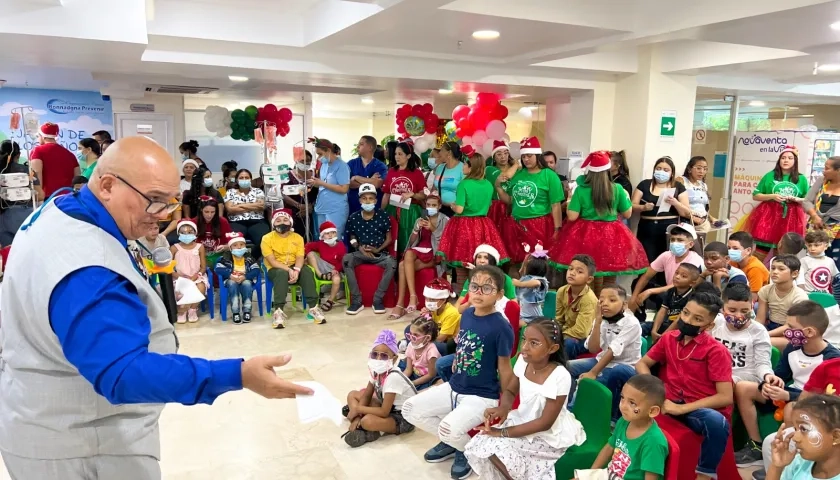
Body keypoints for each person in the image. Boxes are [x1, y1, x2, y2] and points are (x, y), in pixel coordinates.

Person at [0, 137, 313, 479]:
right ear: (107, 185)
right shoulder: (89, 270)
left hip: (40, 412)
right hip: (80, 446)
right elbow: (123, 373)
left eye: (171, 201)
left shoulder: (62, 206)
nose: (165, 215)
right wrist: (236, 374)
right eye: (155, 202)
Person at [402, 265, 515, 480]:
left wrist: (505, 404)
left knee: (447, 428)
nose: (478, 292)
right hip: (455, 385)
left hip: (481, 395)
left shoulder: (502, 326)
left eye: (487, 288)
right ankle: (458, 443)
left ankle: (467, 450)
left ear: (500, 295)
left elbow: (504, 366)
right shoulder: (468, 314)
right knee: (409, 409)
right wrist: (457, 363)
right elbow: (463, 345)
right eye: (474, 286)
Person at [464, 317, 585, 480]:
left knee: (497, 446)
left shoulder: (560, 376)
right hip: (523, 421)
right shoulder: (523, 360)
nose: (524, 347)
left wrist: (502, 433)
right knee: (482, 443)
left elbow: (545, 423)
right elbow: (510, 391)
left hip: (548, 434)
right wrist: (504, 407)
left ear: (552, 348)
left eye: (534, 343)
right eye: (524, 340)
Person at [635, 291, 732, 480]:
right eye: (686, 313)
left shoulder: (716, 351)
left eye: (697, 319)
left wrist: (681, 409)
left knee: (716, 422)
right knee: (625, 376)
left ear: (709, 325)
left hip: (697, 407)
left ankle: (705, 474)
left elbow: (725, 397)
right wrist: (656, 392)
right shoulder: (670, 338)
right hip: (667, 399)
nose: (687, 320)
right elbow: (642, 363)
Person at [736, 300, 840, 468]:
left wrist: (789, 396)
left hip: (812, 402)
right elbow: (781, 375)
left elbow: (826, 398)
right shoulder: (793, 348)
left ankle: (790, 461)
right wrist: (770, 383)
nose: (787, 332)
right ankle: (756, 445)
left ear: (810, 332)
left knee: (792, 406)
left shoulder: (831, 359)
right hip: (788, 393)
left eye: (791, 328)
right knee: (743, 388)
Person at [548, 151, 647, 287]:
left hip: (586, 235)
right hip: (612, 235)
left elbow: (572, 216)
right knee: (610, 276)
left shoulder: (581, 190)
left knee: (588, 276)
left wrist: (571, 199)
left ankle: (590, 305)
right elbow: (627, 213)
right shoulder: (617, 188)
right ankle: (607, 305)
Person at [713, 283, 773, 466]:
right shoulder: (714, 323)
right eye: (732, 309)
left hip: (745, 376)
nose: (738, 315)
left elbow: (763, 362)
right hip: (716, 374)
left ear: (752, 305)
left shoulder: (758, 331)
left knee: (730, 385)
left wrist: (767, 375)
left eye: (744, 310)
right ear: (722, 307)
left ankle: (754, 445)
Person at [568, 285, 642, 419]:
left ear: (624, 304)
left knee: (590, 383)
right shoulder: (601, 319)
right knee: (567, 367)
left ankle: (575, 413)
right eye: (601, 301)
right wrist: (597, 323)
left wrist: (593, 373)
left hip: (622, 366)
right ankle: (568, 405)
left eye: (612, 300)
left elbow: (612, 352)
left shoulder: (632, 323)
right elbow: (593, 349)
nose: (605, 304)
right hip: (601, 360)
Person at [437, 150, 510, 276]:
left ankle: (463, 293)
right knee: (481, 265)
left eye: (465, 164)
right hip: (483, 225)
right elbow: (489, 205)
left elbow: (460, 209)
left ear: (472, 167)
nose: (462, 166)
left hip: (463, 225)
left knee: (461, 265)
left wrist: (452, 205)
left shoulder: (464, 184)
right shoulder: (488, 184)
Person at [494, 137, 564, 265]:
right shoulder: (519, 174)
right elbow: (510, 200)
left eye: (529, 156)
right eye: (524, 156)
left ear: (537, 155)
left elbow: (556, 205)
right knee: (516, 263)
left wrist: (557, 228)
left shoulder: (549, 175)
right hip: (516, 225)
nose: (526, 159)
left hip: (540, 225)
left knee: (537, 263)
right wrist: (498, 187)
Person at [586, 374, 669, 480]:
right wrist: (590, 474)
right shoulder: (624, 421)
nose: (623, 406)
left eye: (632, 403)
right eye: (622, 398)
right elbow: (609, 448)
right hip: (610, 474)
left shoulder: (653, 441)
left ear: (652, 411)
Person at [343, 329, 416, 448]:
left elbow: (384, 412)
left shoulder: (393, 378)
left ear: (394, 358)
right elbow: (367, 394)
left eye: (383, 356)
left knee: (368, 421)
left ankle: (368, 430)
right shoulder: (376, 371)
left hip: (402, 418)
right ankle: (361, 424)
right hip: (386, 405)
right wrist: (358, 415)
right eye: (374, 354)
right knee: (353, 395)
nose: (377, 359)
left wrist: (357, 409)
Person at [742, 145, 809, 260]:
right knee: (760, 251)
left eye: (790, 158)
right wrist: (772, 196)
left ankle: (777, 274)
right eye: (783, 158)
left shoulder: (801, 179)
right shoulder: (770, 175)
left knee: (783, 252)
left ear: (795, 161)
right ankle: (755, 274)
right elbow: (756, 195)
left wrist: (796, 199)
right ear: (779, 160)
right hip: (769, 217)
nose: (786, 160)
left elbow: (808, 200)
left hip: (791, 218)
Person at [391, 190, 449, 319]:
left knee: (402, 266)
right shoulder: (421, 218)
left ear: (439, 206)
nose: (431, 208)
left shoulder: (445, 220)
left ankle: (401, 304)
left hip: (435, 254)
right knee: (408, 255)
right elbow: (411, 242)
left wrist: (433, 229)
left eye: (434, 205)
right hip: (419, 250)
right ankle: (412, 297)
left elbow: (445, 243)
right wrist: (416, 229)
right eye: (428, 205)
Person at [261, 208, 321, 327]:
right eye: (278, 221)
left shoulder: (297, 237)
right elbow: (272, 261)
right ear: (273, 223)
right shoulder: (266, 238)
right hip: (275, 268)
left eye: (285, 220)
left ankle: (313, 308)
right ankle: (278, 311)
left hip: (294, 266)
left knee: (307, 271)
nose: (282, 223)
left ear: (291, 223)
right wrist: (289, 270)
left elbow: (300, 257)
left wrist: (297, 270)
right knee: (281, 273)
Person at [343, 183, 396, 315]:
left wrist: (377, 250)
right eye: (364, 198)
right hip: (360, 253)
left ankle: (378, 300)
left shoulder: (383, 215)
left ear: (376, 200)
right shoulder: (354, 217)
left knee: (392, 263)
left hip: (379, 254)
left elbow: (389, 239)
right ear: (360, 200)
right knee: (346, 260)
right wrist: (358, 247)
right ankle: (356, 301)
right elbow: (352, 237)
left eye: (371, 198)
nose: (368, 201)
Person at [629, 223, 703, 314]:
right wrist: (633, 298)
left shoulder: (695, 260)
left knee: (663, 295)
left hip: (686, 296)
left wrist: (650, 291)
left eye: (680, 240)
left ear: (691, 244)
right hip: (670, 291)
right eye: (672, 239)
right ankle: (638, 318)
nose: (675, 243)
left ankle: (664, 318)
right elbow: (646, 276)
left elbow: (679, 285)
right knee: (637, 283)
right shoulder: (666, 255)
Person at [632, 156, 692, 264]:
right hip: (647, 227)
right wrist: (643, 207)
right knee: (646, 260)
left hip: (669, 228)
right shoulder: (644, 184)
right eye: (658, 168)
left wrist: (676, 203)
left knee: (667, 259)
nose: (661, 172)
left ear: (672, 173)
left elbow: (687, 213)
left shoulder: (678, 187)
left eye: (666, 170)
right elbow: (631, 205)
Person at [766, 395, 840, 480]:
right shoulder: (799, 463)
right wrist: (776, 467)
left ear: (836, 437)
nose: (795, 438)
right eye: (795, 429)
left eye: (804, 429)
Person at [381, 141, 427, 254]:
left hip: (410, 212)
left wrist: (413, 194)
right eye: (396, 154)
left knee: (407, 240)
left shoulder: (416, 173)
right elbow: (386, 194)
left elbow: (424, 194)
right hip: (392, 210)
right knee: (392, 238)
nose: (397, 156)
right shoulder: (392, 171)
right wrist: (381, 212)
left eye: (400, 154)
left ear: (408, 156)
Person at [556, 254, 598, 360]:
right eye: (570, 269)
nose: (572, 273)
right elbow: (559, 318)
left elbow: (582, 332)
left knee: (568, 343)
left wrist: (560, 336)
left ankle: (564, 368)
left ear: (589, 279)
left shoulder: (589, 300)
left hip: (585, 339)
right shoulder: (562, 291)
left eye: (579, 271)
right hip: (567, 332)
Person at [758, 255, 809, 343]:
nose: (774, 272)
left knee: (763, 342)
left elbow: (790, 325)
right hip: (771, 327)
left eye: (781, 269)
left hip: (793, 332)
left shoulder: (800, 296)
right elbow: (760, 319)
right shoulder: (765, 290)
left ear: (794, 274)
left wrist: (765, 335)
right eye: (773, 268)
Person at [644, 263, 700, 341]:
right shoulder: (671, 291)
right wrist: (654, 330)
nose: (677, 277)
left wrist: (664, 336)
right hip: (666, 324)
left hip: (680, 329)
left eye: (683, 276)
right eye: (676, 273)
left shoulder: (692, 297)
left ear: (692, 283)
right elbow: (662, 311)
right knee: (641, 327)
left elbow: (679, 320)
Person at [310, 138, 351, 240]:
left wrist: (322, 183)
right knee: (323, 238)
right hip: (322, 207)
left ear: (328, 151)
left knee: (333, 239)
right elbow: (324, 184)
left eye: (320, 154)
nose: (319, 158)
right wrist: (316, 183)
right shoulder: (324, 165)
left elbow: (344, 189)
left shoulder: (342, 166)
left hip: (335, 209)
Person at [455, 245, 517, 312]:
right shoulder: (471, 279)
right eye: (479, 257)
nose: (482, 261)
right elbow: (458, 304)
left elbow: (514, 305)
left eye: (486, 258)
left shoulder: (505, 279)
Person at [214, 232, 259, 324]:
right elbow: (218, 269)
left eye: (242, 245)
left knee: (247, 284)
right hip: (230, 279)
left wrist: (245, 276)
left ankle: (247, 310)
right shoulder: (225, 258)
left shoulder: (249, 258)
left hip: (245, 279)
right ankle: (235, 312)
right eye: (235, 245)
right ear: (230, 248)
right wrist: (230, 275)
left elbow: (256, 270)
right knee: (232, 283)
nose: (239, 247)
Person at [804, 156, 840, 271]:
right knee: (812, 262)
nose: (823, 171)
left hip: (837, 233)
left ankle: (834, 289)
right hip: (815, 229)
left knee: (834, 265)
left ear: (838, 170)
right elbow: (806, 201)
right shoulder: (821, 181)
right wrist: (814, 216)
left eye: (827, 168)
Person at [304, 221, 346, 312]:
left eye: (333, 233)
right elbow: (307, 246)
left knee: (337, 279)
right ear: (322, 236)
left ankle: (330, 300)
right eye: (327, 233)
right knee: (310, 254)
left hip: (335, 269)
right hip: (322, 268)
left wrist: (336, 270)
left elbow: (343, 260)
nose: (330, 235)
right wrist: (306, 258)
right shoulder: (320, 244)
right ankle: (319, 274)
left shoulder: (341, 245)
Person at [29, 122, 79, 200]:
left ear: (42, 136)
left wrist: (38, 197)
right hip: (69, 197)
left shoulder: (38, 151)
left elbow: (36, 174)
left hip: (49, 198)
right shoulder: (70, 154)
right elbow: (77, 177)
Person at [171, 219, 208, 324]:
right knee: (179, 288)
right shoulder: (174, 248)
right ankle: (182, 311)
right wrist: (179, 277)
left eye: (189, 232)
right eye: (183, 232)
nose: (186, 235)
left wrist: (196, 276)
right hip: (179, 277)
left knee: (200, 286)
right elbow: (169, 267)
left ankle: (192, 309)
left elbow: (203, 267)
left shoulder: (200, 247)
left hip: (196, 276)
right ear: (178, 234)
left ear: (195, 233)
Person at [225, 168, 271, 249]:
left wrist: (239, 205)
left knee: (264, 241)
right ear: (237, 180)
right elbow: (230, 209)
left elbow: (261, 206)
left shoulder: (258, 191)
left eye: (247, 177)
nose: (244, 179)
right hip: (236, 222)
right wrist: (253, 205)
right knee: (234, 241)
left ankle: (254, 259)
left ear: (250, 179)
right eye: (241, 178)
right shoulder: (230, 192)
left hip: (257, 221)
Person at [485, 140, 518, 246]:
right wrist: (516, 164)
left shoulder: (517, 171)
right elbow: (505, 176)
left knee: (513, 238)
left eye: (506, 153)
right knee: (497, 237)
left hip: (514, 206)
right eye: (499, 154)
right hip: (497, 208)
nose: (503, 157)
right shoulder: (489, 169)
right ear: (494, 157)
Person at [0, 140, 33, 246]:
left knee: (7, 254)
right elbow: (40, 194)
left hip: (2, 216)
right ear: (18, 154)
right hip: (23, 215)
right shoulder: (27, 170)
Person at [347, 135, 388, 214]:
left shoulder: (380, 166)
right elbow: (348, 184)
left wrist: (357, 177)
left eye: (361, 144)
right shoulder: (351, 163)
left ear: (370, 147)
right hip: (353, 206)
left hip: (373, 208)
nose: (358, 146)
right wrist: (370, 181)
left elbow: (377, 184)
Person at [283, 149, 319, 238]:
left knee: (309, 236)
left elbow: (318, 194)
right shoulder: (288, 175)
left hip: (310, 212)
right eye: (303, 160)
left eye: (308, 161)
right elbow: (283, 194)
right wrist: (299, 205)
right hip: (293, 212)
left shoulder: (313, 176)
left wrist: (310, 207)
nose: (306, 163)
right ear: (296, 160)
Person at [677, 155, 717, 232]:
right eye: (698, 168)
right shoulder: (681, 181)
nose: (702, 171)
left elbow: (701, 207)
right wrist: (694, 218)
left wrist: (711, 218)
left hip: (702, 224)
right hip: (687, 222)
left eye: (705, 169)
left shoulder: (703, 185)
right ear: (689, 169)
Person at [512, 246, 550, 324]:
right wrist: (525, 262)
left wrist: (520, 284)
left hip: (533, 317)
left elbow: (536, 283)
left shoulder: (541, 280)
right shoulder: (527, 278)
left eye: (527, 266)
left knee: (515, 325)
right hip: (523, 314)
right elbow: (521, 272)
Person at [402, 315, 440, 391]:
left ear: (427, 338)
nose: (411, 338)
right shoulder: (410, 345)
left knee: (434, 386)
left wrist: (412, 383)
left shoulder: (432, 352)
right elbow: (408, 369)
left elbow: (431, 375)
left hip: (427, 378)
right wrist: (402, 380)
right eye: (410, 334)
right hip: (415, 372)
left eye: (415, 335)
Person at [729, 231, 770, 301]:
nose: (730, 251)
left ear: (748, 250)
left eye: (735, 248)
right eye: (729, 248)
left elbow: (754, 298)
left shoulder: (755, 268)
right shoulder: (733, 262)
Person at [432, 141, 466, 217]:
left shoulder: (463, 168)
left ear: (449, 153)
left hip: (455, 211)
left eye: (441, 150)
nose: (439, 153)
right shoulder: (440, 168)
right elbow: (434, 188)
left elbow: (466, 192)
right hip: (439, 209)